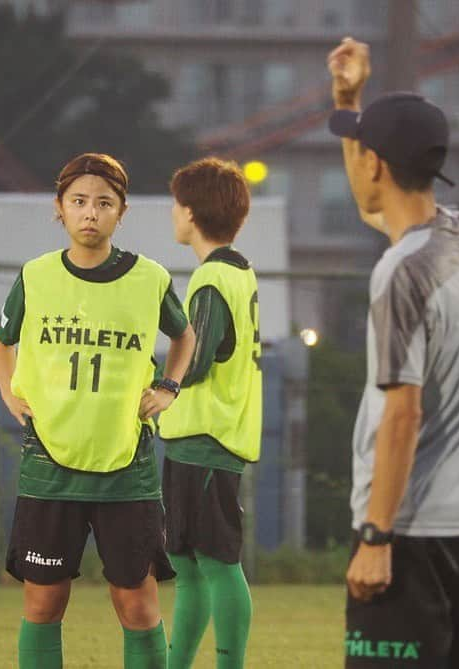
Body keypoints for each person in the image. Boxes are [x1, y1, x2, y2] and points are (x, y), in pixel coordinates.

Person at [327, 38, 459, 669]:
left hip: (409, 531)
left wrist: (376, 536)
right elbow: (371, 203)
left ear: (376, 163)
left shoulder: (400, 273)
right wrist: (349, 104)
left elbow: (404, 413)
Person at [0, 152, 196, 669]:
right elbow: (1, 340)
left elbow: (184, 334)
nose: (90, 213)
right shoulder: (36, 275)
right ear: (59, 208)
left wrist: (169, 386)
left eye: (104, 203)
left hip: (125, 467)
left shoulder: (148, 278)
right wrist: (8, 392)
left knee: (137, 603)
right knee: (43, 603)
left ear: (121, 213)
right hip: (50, 465)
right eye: (78, 201)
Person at [158, 157, 262, 669]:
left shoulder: (211, 279)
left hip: (207, 437)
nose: (172, 213)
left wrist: (151, 388)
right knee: (186, 561)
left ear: (192, 212)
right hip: (196, 439)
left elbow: (195, 362)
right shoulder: (239, 271)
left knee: (218, 563)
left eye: (177, 204)